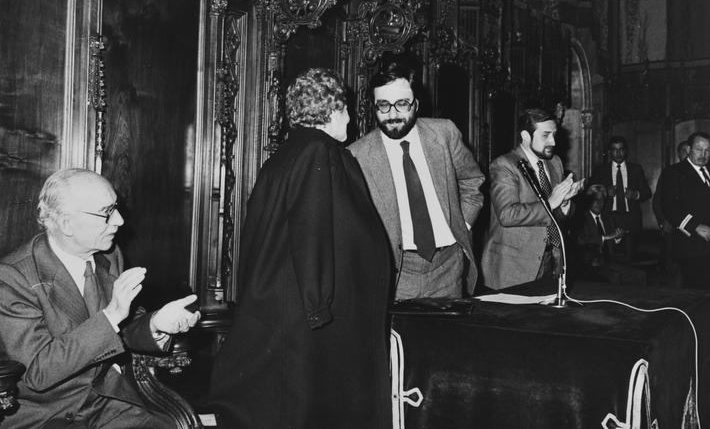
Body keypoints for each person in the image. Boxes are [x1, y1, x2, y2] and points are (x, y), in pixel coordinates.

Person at [209, 69, 392, 429]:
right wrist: (317, 305)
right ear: (333, 110)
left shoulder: (284, 155)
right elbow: (313, 230)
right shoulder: (319, 151)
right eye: (346, 110)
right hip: (310, 318)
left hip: (286, 309)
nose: (351, 120)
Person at [0, 168, 201, 429]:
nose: (119, 220)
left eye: (115, 208)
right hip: (45, 416)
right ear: (66, 224)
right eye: (107, 212)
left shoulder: (109, 255)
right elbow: (38, 372)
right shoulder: (14, 277)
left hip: (105, 403)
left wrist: (155, 323)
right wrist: (112, 315)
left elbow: (123, 327)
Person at [348, 62, 484, 300]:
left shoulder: (444, 134)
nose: (393, 115)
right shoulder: (357, 155)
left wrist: (462, 224)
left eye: (402, 104)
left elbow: (472, 181)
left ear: (416, 104)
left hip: (448, 266)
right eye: (383, 105)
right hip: (398, 271)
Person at [659, 131, 710, 374]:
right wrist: (695, 226)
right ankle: (699, 357)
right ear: (689, 149)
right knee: (700, 306)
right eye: (698, 149)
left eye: (707, 151)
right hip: (694, 251)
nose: (703, 154)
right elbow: (669, 206)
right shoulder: (674, 173)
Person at [481, 108, 583, 289]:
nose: (553, 141)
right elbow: (507, 215)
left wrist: (565, 202)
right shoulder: (505, 165)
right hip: (515, 266)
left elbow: (556, 214)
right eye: (545, 135)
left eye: (554, 135)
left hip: (552, 261)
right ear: (525, 136)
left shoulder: (555, 162)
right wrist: (550, 203)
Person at [589, 136, 651, 262]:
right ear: (610, 152)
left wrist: (635, 195)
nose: (618, 153)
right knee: (608, 257)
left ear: (626, 151)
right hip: (608, 217)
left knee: (630, 258)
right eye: (614, 149)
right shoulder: (601, 170)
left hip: (630, 219)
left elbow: (647, 193)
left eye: (621, 149)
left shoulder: (636, 169)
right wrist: (605, 193)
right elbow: (590, 193)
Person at [574, 184, 645, 286]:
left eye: (602, 200)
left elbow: (613, 245)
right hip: (589, 264)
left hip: (608, 263)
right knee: (615, 277)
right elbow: (581, 240)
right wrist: (607, 237)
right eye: (595, 200)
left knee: (640, 275)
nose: (599, 203)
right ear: (589, 201)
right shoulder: (581, 218)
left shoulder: (607, 218)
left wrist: (617, 238)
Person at [653, 139, 690, 232]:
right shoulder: (669, 172)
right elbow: (658, 200)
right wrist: (662, 221)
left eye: (689, 151)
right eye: (683, 151)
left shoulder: (700, 173)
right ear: (678, 154)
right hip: (673, 226)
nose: (687, 154)